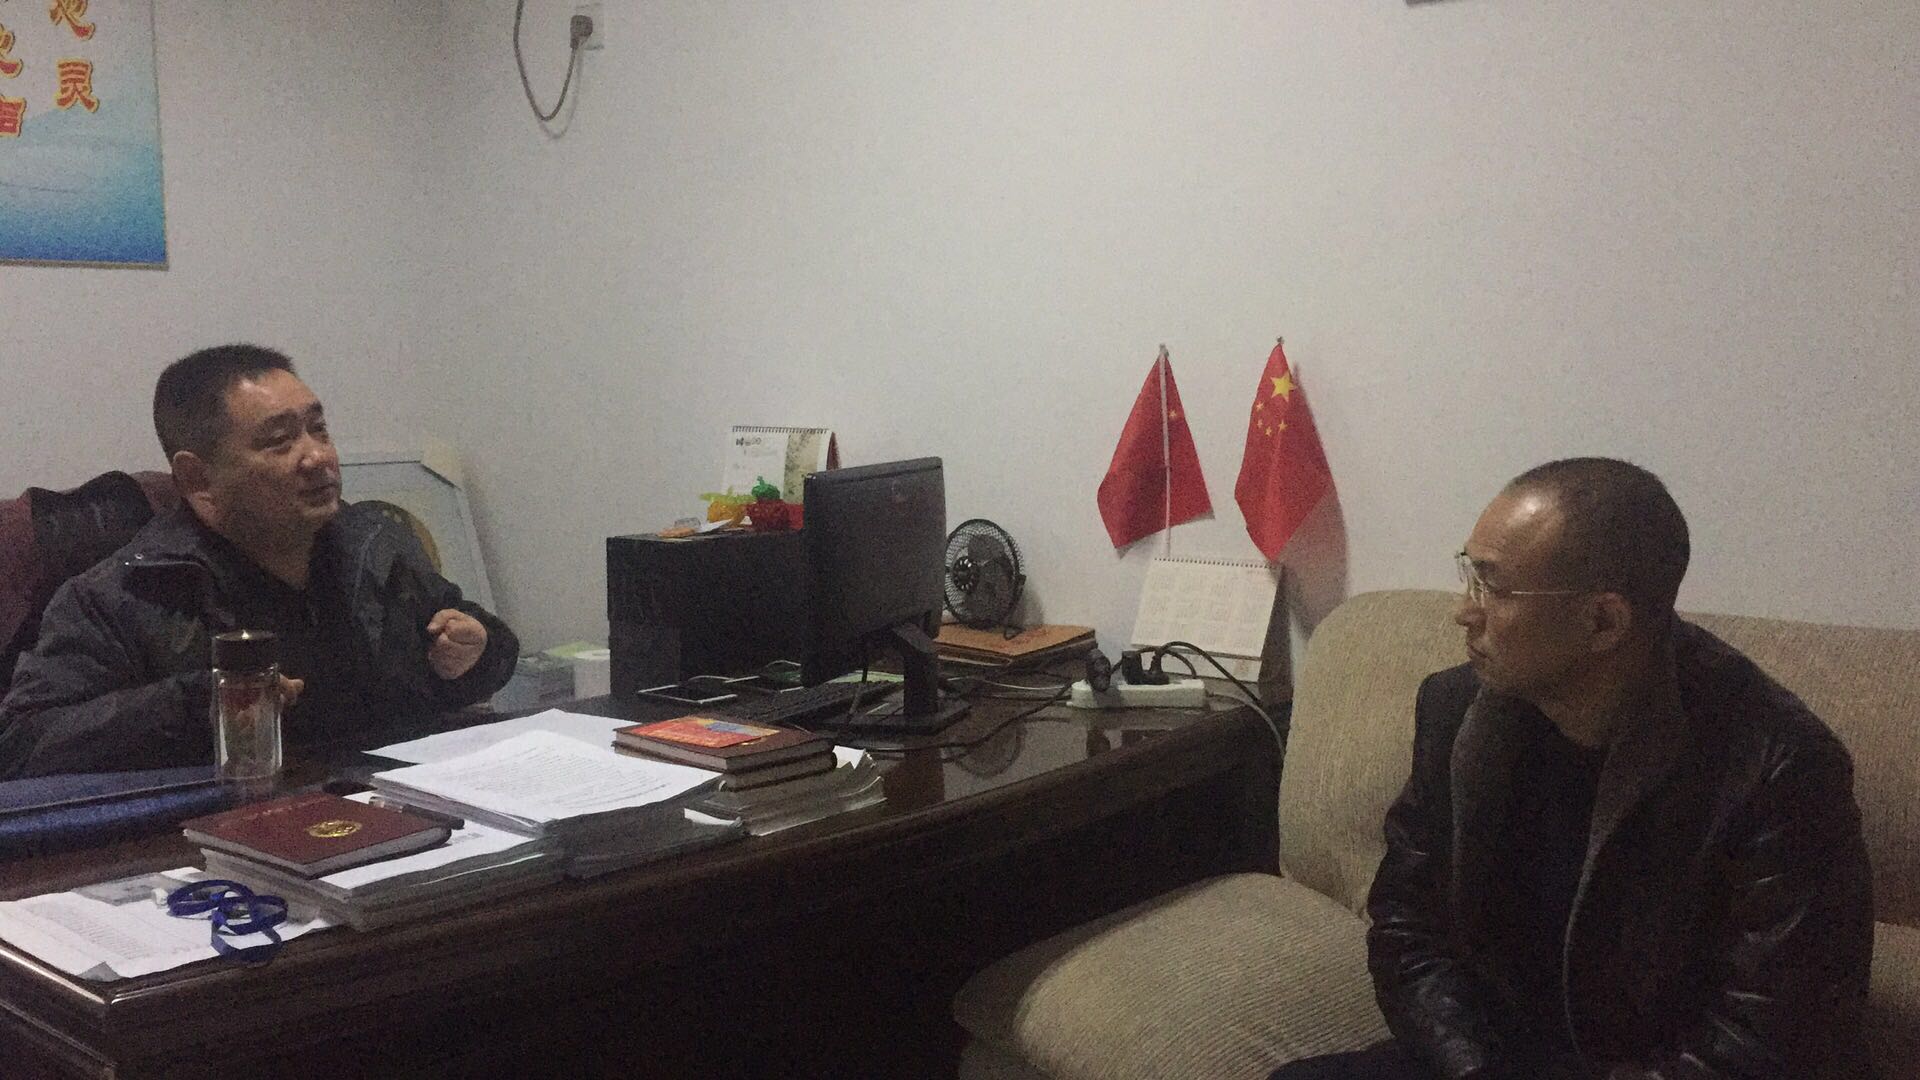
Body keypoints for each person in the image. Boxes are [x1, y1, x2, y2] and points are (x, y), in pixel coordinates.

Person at [1274, 458, 1872, 1080]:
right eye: (1469, 575)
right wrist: (1475, 1069)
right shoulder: (1456, 712)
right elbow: (1408, 926)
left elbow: (1769, 1040)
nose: (1465, 612)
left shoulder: (1778, 768)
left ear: (1603, 622)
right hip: (1493, 1058)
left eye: (1494, 588)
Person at [0, 345, 519, 778]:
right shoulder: (122, 596)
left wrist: (479, 651)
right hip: (224, 837)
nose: (318, 457)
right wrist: (201, 704)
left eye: (319, 429)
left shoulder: (375, 543)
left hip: (397, 808)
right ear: (199, 480)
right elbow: (24, 742)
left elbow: (466, 649)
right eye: (279, 441)